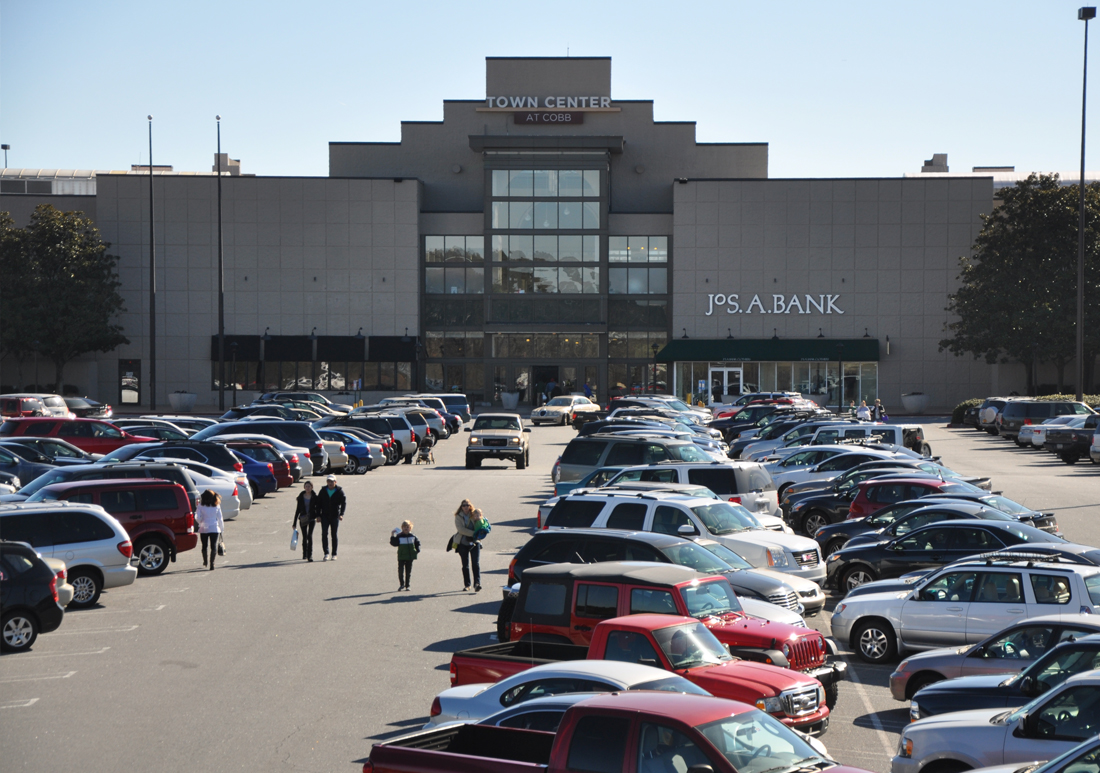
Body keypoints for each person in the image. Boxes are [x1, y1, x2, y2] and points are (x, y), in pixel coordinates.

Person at [453, 499, 481, 592]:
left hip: (474, 543)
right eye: (464, 505)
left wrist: (481, 532)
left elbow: (481, 524)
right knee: (465, 565)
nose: (466, 507)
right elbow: (461, 530)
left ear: (470, 506)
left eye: (467, 505)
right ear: (461, 507)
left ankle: (477, 584)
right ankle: (467, 585)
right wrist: (474, 533)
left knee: (475, 564)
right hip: (463, 543)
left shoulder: (474, 514)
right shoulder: (458, 516)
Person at [317, 474, 346, 561]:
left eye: (332, 481)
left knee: (334, 535)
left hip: (334, 516)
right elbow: (318, 504)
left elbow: (343, 503)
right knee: (324, 534)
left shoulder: (339, 491)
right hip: (324, 516)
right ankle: (326, 553)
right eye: (329, 481)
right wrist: (318, 515)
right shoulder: (323, 491)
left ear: (335, 482)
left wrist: (341, 514)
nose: (330, 483)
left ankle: (334, 554)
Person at [195, 489, 224, 571]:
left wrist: (200, 521)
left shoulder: (201, 505)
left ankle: (205, 561)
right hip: (214, 528)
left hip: (204, 527)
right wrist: (221, 529)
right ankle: (212, 563)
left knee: (204, 546)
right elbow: (220, 518)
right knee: (213, 546)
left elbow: (197, 517)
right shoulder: (217, 505)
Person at [390, 519, 421, 591]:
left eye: (407, 527)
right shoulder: (399, 536)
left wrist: (417, 550)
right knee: (400, 571)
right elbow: (394, 544)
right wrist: (392, 535)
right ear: (402, 528)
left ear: (410, 528)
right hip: (401, 556)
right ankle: (401, 584)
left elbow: (418, 543)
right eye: (404, 527)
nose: (405, 528)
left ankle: (408, 585)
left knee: (408, 571)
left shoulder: (413, 536)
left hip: (410, 557)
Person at [294, 480, 319, 562]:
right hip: (303, 518)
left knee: (309, 536)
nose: (307, 488)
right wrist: (294, 522)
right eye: (306, 486)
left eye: (309, 486)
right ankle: (304, 553)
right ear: (304, 487)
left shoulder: (315, 497)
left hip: (311, 518)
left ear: (312, 487)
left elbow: (318, 508)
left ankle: (310, 555)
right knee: (304, 536)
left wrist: (318, 516)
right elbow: (297, 510)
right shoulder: (301, 497)